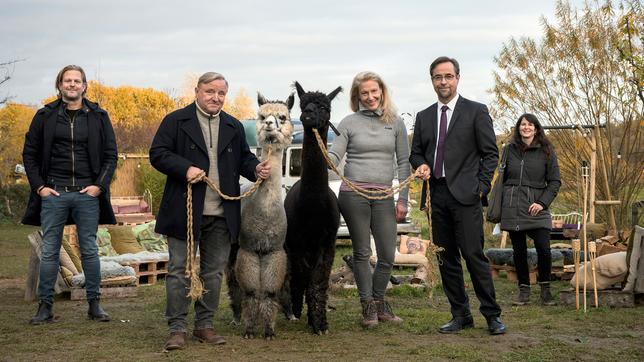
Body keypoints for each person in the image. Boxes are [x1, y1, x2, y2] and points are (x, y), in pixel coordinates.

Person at [149, 72, 270, 350]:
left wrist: (256, 169)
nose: (216, 97)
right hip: (184, 210)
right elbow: (158, 153)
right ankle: (177, 329)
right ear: (197, 91)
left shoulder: (233, 125)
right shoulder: (176, 121)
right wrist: (184, 168)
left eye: (221, 93)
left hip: (221, 213)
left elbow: (244, 159)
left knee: (213, 272)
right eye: (210, 92)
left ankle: (205, 325)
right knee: (179, 271)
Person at [410, 57, 506, 335]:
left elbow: (490, 154)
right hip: (436, 196)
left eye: (448, 76)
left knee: (474, 256)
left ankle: (492, 315)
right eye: (438, 77)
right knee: (446, 258)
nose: (443, 82)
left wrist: (481, 187)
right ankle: (460, 314)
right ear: (432, 81)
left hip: (466, 197)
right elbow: (415, 152)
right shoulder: (424, 116)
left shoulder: (476, 111)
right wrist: (421, 164)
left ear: (458, 78)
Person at [22, 64, 118, 325]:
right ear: (60, 85)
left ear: (84, 86)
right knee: (51, 249)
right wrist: (40, 187)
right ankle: (45, 308)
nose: (72, 84)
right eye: (67, 81)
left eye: (77, 81)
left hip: (88, 194)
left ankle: (94, 305)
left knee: (89, 250)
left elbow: (111, 155)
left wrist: (99, 186)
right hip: (54, 193)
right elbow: (29, 154)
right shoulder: (44, 116)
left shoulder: (99, 116)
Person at [327, 71, 411, 328]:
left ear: (382, 92)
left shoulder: (395, 122)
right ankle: (368, 307)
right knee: (362, 252)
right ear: (357, 96)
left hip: (384, 195)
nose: (370, 96)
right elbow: (334, 156)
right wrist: (321, 157)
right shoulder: (348, 122)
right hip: (354, 196)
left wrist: (402, 199)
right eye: (365, 93)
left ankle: (379, 301)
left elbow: (404, 162)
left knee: (387, 255)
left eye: (374, 92)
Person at [500, 113, 561, 306]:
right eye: (522, 124)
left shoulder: (547, 150)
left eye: (530, 124)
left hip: (536, 207)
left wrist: (542, 203)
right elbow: (501, 179)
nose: (526, 127)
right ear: (518, 128)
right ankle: (524, 291)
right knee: (519, 251)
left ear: (536, 128)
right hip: (513, 206)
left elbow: (554, 182)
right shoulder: (509, 149)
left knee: (544, 248)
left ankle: (545, 290)